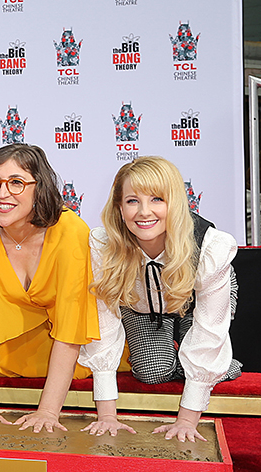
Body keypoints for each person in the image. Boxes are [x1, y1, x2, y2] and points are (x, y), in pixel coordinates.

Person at [79, 156, 242, 442]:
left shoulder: (210, 246)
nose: (144, 212)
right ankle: (185, 356)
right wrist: (106, 416)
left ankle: (215, 364)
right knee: (151, 371)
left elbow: (208, 327)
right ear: (119, 206)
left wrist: (186, 421)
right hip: (141, 305)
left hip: (194, 300)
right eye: (132, 201)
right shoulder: (104, 245)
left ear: (176, 202)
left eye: (157, 199)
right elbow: (103, 323)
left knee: (209, 354)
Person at [0, 144, 99, 433]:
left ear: (39, 188)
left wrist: (49, 413)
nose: (2, 194)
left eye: (16, 182)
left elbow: (70, 328)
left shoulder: (71, 232)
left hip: (67, 354)